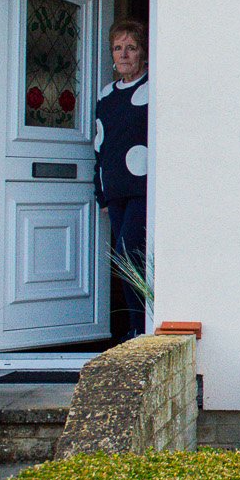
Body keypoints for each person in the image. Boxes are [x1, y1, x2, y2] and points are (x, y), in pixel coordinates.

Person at [94, 19, 150, 339]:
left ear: (142, 52)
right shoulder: (106, 95)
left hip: (143, 190)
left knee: (131, 253)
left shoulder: (152, 87)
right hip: (115, 190)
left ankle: (142, 326)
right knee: (122, 258)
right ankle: (135, 326)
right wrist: (100, 193)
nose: (124, 54)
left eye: (131, 47)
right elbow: (100, 144)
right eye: (118, 48)